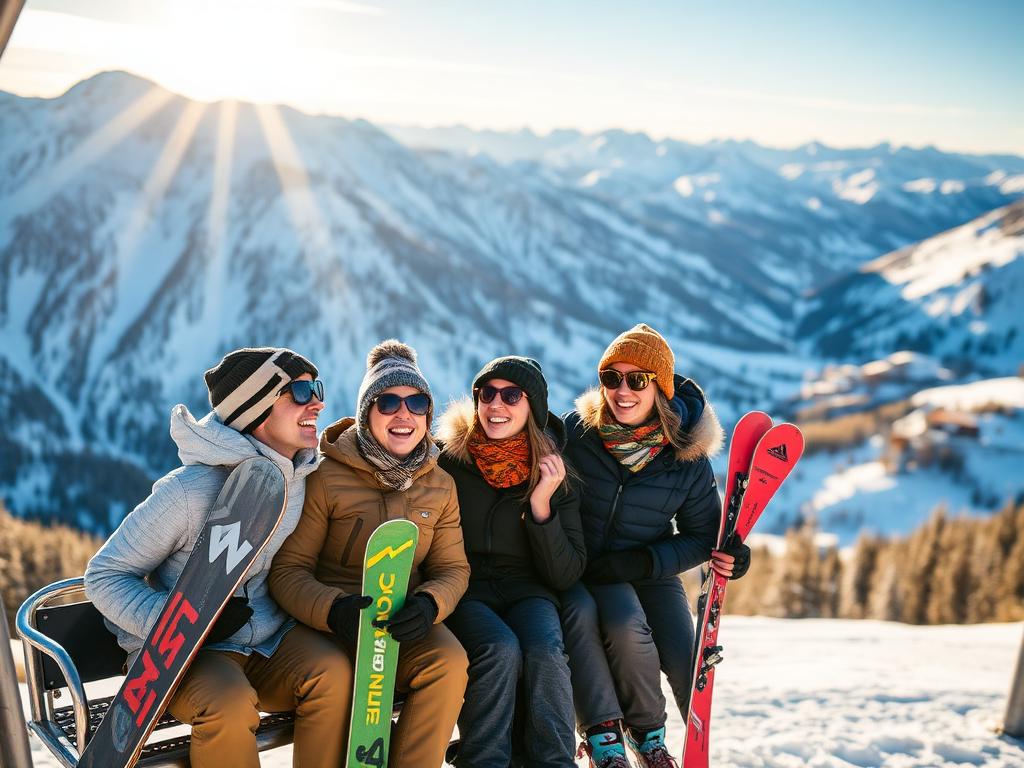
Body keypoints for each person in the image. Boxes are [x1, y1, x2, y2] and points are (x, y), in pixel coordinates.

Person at [85, 347, 351, 768]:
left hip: (267, 641)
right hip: (183, 655)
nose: (317, 401)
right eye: (300, 392)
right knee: (228, 704)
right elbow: (104, 575)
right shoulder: (191, 491)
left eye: (316, 388)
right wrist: (181, 620)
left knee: (335, 675)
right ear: (255, 409)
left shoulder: (300, 477)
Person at [269, 339, 470, 767]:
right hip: (331, 625)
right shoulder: (325, 477)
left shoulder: (440, 484)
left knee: (449, 662)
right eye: (388, 402)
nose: (404, 414)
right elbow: (289, 570)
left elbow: (453, 568)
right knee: (334, 676)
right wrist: (333, 610)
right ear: (366, 414)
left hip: (399, 619)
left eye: (417, 403)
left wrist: (429, 604)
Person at [560, 324, 750, 768]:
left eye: (637, 380)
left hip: (648, 565)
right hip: (590, 568)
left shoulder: (685, 455)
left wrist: (652, 560)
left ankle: (691, 749)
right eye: (612, 378)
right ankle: (645, 738)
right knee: (628, 629)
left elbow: (705, 535)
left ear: (660, 388)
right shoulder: (578, 434)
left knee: (686, 662)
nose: (622, 391)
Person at [437, 356, 587, 768]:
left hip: (529, 591)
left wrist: (542, 505)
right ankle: (483, 761)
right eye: (487, 394)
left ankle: (555, 762)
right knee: (498, 649)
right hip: (466, 589)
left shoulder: (555, 471)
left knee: (544, 651)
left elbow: (565, 572)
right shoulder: (450, 460)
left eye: (511, 395)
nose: (496, 405)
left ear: (532, 407)